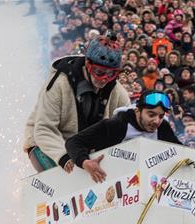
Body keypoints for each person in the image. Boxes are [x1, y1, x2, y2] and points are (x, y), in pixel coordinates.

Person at [23, 36, 130, 172]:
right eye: (99, 72)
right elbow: (44, 129)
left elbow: (128, 126)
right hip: (46, 143)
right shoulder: (59, 84)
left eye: (111, 74)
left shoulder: (117, 91)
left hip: (82, 147)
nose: (104, 79)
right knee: (66, 179)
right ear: (88, 65)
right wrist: (64, 157)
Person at [65, 92, 181, 184]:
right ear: (137, 111)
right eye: (151, 115)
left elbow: (180, 151)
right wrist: (84, 162)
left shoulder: (163, 128)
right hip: (107, 180)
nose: (156, 121)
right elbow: (74, 142)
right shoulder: (116, 125)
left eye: (161, 116)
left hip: (144, 182)